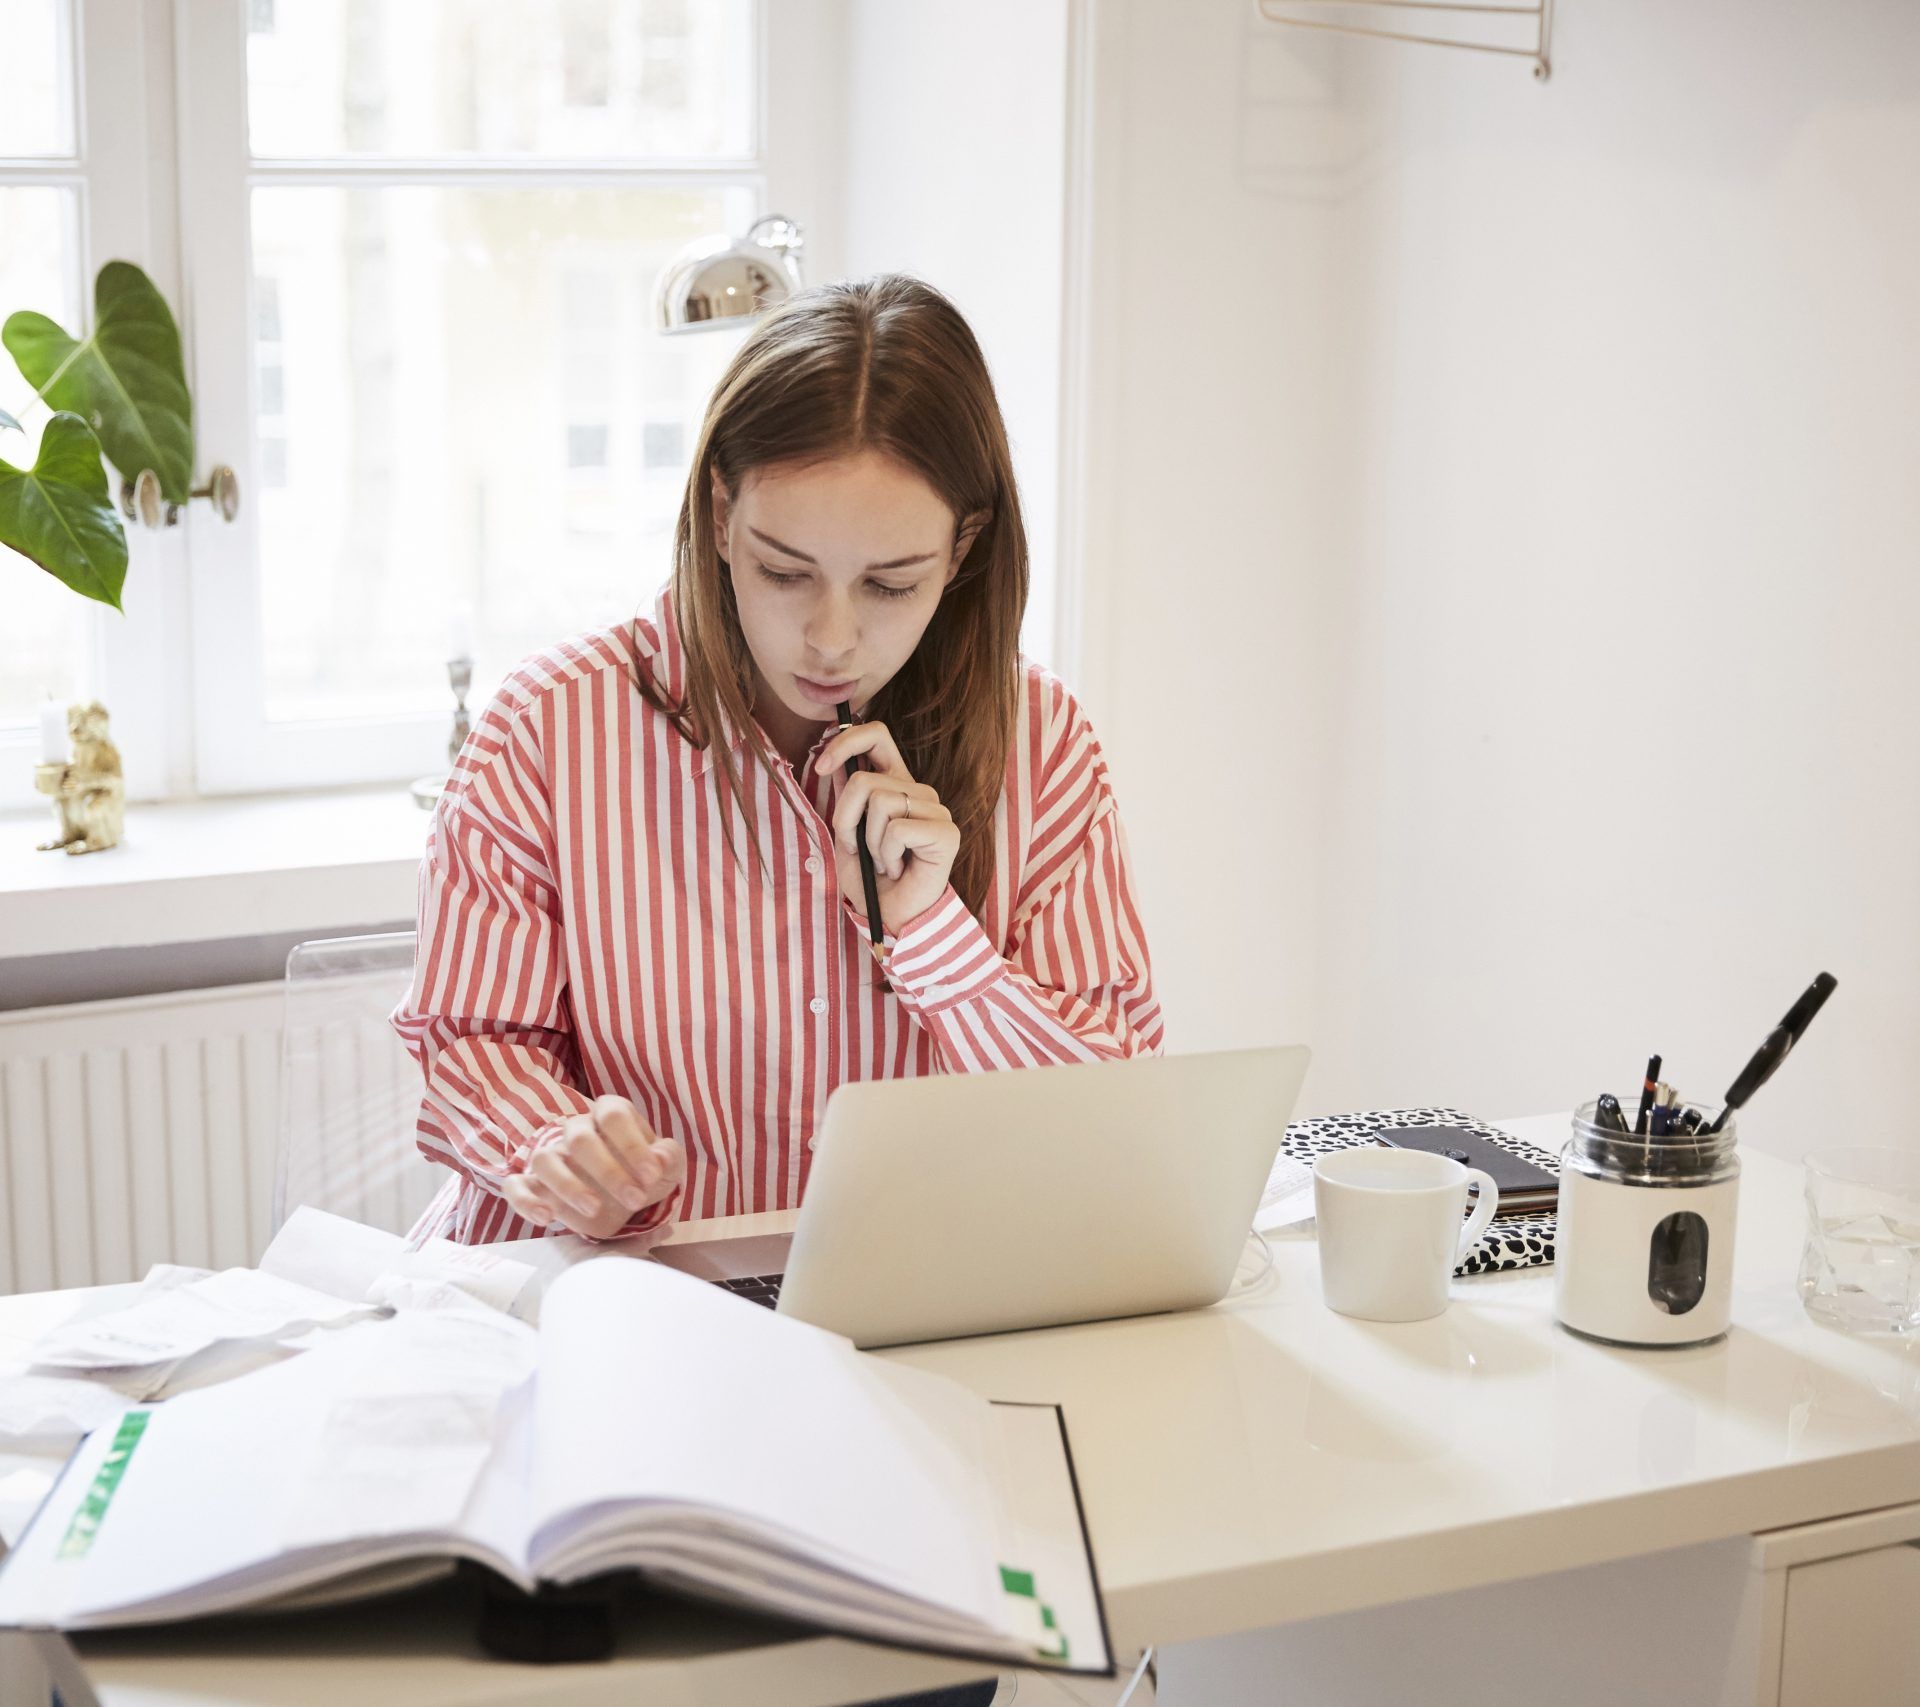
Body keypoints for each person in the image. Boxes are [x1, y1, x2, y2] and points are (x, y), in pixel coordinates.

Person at [392, 271, 1163, 1249]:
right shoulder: (545, 730)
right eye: (784, 571)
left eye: (890, 585)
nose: (831, 639)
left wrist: (934, 937)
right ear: (720, 514)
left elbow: (1112, 1123)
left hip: (897, 1304)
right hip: (612, 1294)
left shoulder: (1043, 746)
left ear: (963, 548)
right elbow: (471, 1041)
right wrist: (556, 1149)